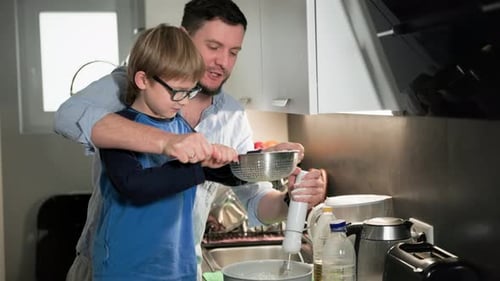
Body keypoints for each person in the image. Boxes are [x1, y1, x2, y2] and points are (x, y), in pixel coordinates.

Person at [54, 0, 327, 280]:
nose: (223, 62)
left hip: (179, 268)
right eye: (213, 47)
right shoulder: (127, 87)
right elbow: (67, 117)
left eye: (234, 52)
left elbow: (250, 192)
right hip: (115, 268)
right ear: (184, 37)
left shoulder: (229, 115)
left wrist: (281, 182)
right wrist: (171, 144)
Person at [94, 24, 244, 281]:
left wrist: (240, 164)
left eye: (190, 91)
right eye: (177, 91)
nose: (184, 101)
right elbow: (135, 186)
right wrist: (200, 167)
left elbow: (207, 173)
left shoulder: (180, 125)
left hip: (179, 268)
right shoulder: (119, 129)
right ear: (142, 80)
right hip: (126, 270)